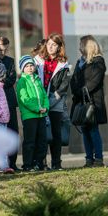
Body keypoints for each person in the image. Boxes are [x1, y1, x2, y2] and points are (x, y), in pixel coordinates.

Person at [70, 35, 107, 167]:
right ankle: (88, 159)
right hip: (81, 100)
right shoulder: (80, 62)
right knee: (84, 130)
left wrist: (82, 90)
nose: (79, 48)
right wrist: (76, 90)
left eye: (81, 45)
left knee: (93, 130)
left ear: (88, 46)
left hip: (93, 101)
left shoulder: (98, 61)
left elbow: (95, 81)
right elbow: (73, 80)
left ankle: (98, 159)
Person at [35, 33, 70, 170]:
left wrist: (49, 103)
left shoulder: (63, 64)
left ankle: (56, 163)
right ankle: (41, 163)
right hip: (39, 100)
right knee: (42, 133)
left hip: (56, 100)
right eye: (49, 44)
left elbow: (63, 86)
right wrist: (41, 102)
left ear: (59, 47)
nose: (50, 47)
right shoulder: (38, 60)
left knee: (56, 133)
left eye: (54, 45)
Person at [16, 55, 49, 172]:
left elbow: (44, 96)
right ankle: (28, 164)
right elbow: (24, 99)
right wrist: (37, 108)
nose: (30, 68)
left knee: (42, 141)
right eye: (26, 66)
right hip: (30, 116)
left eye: (31, 65)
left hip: (41, 115)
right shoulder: (22, 81)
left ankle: (39, 163)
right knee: (30, 141)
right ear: (22, 68)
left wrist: (46, 107)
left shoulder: (38, 79)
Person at [0, 36, 19, 171]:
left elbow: (11, 79)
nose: (1, 52)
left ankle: (12, 163)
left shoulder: (10, 61)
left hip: (9, 100)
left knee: (12, 130)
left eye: (4, 50)